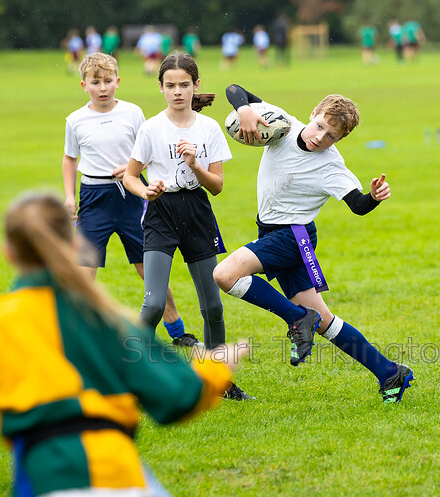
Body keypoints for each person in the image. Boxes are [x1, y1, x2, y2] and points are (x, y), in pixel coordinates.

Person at [0, 191, 247, 496]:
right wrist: (216, 366)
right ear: (74, 243)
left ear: (10, 253)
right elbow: (178, 396)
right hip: (127, 479)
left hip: (52, 480)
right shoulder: (107, 319)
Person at [212, 84, 415, 404]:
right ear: (312, 115)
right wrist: (245, 110)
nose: (321, 137)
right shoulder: (284, 124)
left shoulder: (331, 165)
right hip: (278, 234)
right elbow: (235, 89)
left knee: (225, 275)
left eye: (331, 136)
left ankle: (295, 318)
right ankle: (389, 372)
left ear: (339, 140)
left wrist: (374, 197)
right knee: (322, 320)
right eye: (320, 126)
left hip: (293, 237)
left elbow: (358, 205)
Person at [122, 53, 250, 400]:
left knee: (212, 306)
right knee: (151, 305)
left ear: (195, 86)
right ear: (161, 88)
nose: (177, 91)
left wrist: (195, 164)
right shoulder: (150, 128)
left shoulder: (208, 129)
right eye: (170, 85)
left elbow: (217, 186)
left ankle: (219, 382)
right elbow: (131, 177)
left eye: (184, 85)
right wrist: (146, 190)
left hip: (196, 213)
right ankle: (128, 375)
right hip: (160, 214)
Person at [62, 52, 197, 349]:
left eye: (108, 81)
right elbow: (70, 159)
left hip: (132, 195)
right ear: (84, 85)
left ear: (118, 82)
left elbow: (150, 150)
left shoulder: (133, 113)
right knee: (84, 270)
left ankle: (177, 331)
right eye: (95, 82)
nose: (102, 87)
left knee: (148, 267)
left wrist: (136, 170)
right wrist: (70, 197)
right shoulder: (75, 120)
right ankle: (76, 335)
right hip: (94, 198)